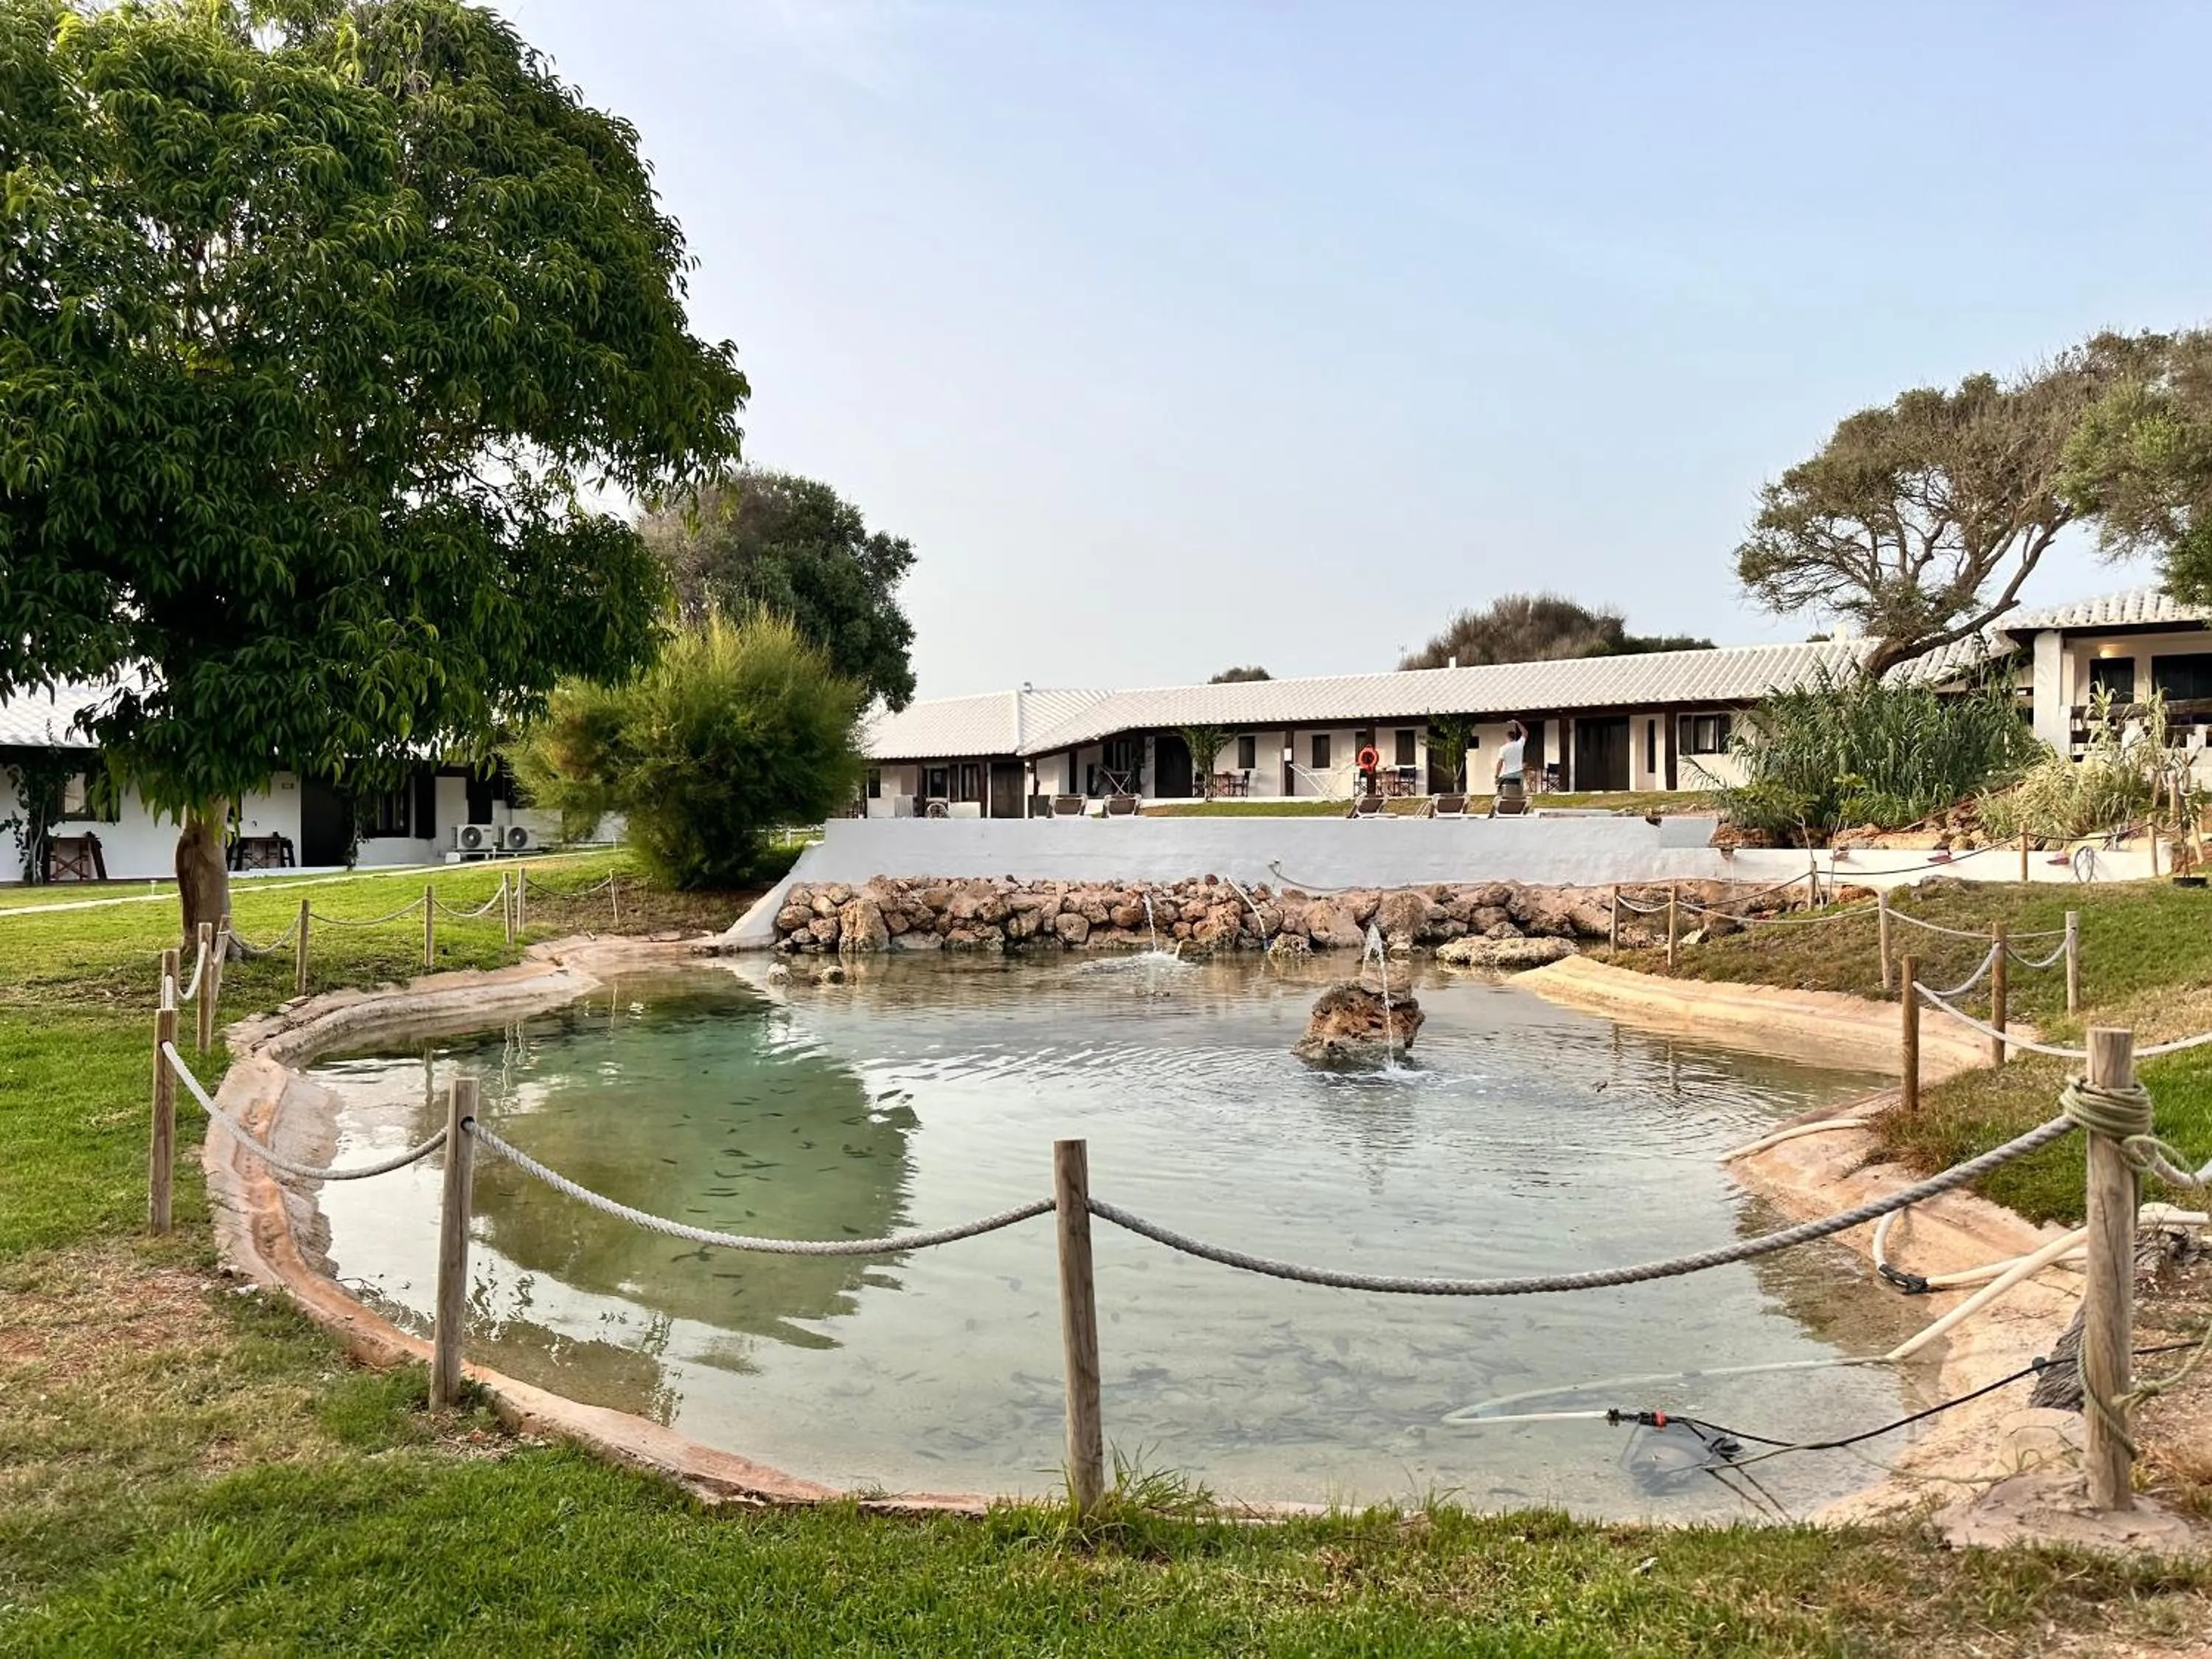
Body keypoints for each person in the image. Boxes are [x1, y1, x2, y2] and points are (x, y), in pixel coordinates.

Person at [1492, 719, 1528, 815]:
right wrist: (1518, 723)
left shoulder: (1503, 748)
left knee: (1501, 789)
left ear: (1507, 737)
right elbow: (1525, 732)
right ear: (1515, 737)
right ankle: (1518, 808)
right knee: (1519, 793)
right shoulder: (1520, 744)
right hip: (1519, 774)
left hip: (1508, 775)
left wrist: (1496, 776)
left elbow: (1500, 763)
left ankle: (1502, 808)